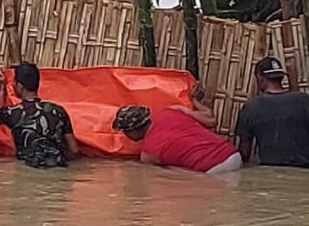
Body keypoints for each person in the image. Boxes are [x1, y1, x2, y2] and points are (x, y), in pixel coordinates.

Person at [113, 93, 241, 174]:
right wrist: (195, 101)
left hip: (212, 170)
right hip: (232, 154)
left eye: (125, 131)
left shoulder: (148, 155)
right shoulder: (172, 111)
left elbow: (169, 177)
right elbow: (211, 120)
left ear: (132, 131)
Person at [0, 62, 79, 169]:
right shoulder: (58, 111)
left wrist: (1, 88)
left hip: (27, 170)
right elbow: (74, 150)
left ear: (19, 86)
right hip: (57, 170)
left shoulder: (14, 113)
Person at [236, 57, 309, 167]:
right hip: (304, 171)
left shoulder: (251, 107)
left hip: (270, 173)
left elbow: (245, 152)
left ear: (260, 78)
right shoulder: (304, 100)